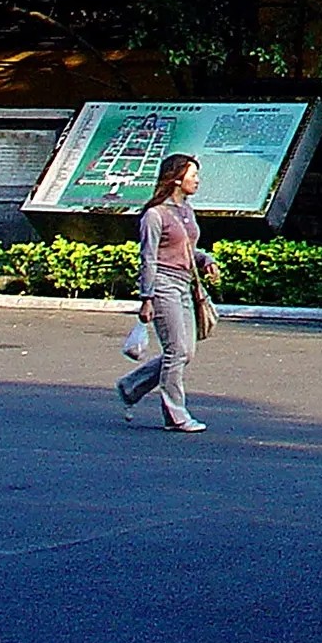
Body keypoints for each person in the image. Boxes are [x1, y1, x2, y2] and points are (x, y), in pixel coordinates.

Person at [116, 153, 219, 433]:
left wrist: (204, 259)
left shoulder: (187, 211)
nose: (197, 180)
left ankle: (131, 386)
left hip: (185, 285)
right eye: (192, 174)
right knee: (176, 351)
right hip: (163, 286)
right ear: (176, 178)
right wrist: (146, 298)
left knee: (186, 352)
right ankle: (176, 415)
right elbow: (148, 257)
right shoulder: (155, 214)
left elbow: (185, 248)